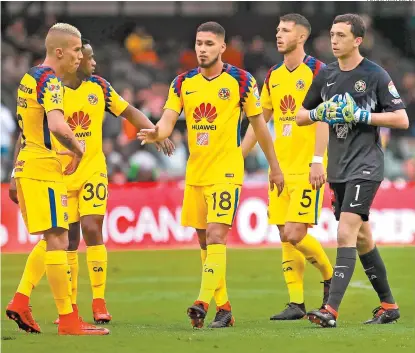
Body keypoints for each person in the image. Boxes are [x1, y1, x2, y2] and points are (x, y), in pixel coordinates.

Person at [8, 39, 175, 327]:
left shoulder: (99, 87)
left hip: (92, 169)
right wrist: (14, 172)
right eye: (88, 57)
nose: (94, 62)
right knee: (65, 240)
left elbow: (129, 111)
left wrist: (155, 130)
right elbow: (28, 131)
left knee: (91, 226)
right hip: (59, 171)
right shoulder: (52, 88)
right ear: (74, 60)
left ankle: (98, 301)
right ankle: (66, 307)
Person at [137, 21, 284, 329]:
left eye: (208, 44)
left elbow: (259, 127)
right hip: (196, 173)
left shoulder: (241, 81)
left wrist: (275, 167)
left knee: (218, 236)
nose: (201, 49)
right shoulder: (182, 83)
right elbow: (167, 120)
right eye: (198, 43)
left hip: (227, 170)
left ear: (221, 47)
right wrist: (156, 133)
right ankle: (225, 308)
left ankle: (201, 302)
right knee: (206, 244)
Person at [296, 13, 409, 327]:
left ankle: (330, 311)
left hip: (366, 166)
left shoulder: (374, 74)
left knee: (345, 232)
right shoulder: (327, 75)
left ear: (358, 40)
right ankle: (388, 305)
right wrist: (320, 111)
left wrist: (362, 115)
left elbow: (401, 119)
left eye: (341, 35)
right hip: (339, 169)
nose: (334, 40)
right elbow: (301, 116)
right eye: (332, 34)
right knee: (362, 238)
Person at [6, 23, 108, 335]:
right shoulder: (51, 84)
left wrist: (14, 172)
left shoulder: (30, 77)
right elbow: (58, 126)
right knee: (59, 241)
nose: (81, 56)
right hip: (44, 168)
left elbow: (26, 129)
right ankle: (67, 320)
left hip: (29, 166)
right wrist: (78, 150)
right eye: (77, 50)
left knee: (54, 238)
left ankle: (21, 301)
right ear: (60, 51)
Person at [242, 13, 333, 321]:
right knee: (284, 234)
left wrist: (318, 160)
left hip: (308, 167)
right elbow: (260, 120)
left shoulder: (319, 71)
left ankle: (330, 276)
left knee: (295, 232)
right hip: (279, 167)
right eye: (277, 30)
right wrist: (239, 153)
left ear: (301, 36)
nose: (278, 35)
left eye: (285, 30)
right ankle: (296, 302)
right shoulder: (273, 75)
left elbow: (324, 117)